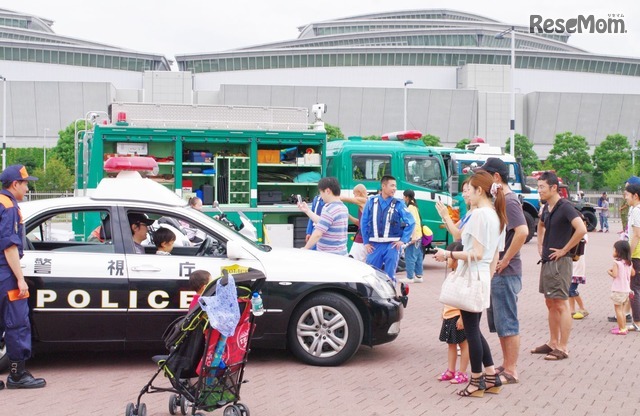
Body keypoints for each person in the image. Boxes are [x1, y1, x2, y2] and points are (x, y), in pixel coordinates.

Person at [434, 170, 506, 397]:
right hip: (482, 275)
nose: (467, 194)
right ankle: (491, 376)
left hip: (472, 274)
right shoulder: (494, 214)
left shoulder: (479, 215)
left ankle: (476, 381)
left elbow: (475, 252)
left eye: (470, 190)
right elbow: (493, 254)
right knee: (475, 329)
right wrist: (489, 276)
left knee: (472, 331)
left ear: (479, 190)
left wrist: (448, 255)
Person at [478, 158, 528, 386]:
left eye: (486, 176)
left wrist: (506, 259)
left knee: (507, 321)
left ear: (496, 177)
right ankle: (506, 364)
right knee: (499, 322)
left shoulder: (509, 200)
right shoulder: (500, 199)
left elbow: (522, 231)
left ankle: (511, 369)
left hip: (505, 271)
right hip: (498, 270)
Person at [531, 171, 587, 361]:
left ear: (554, 188)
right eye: (538, 187)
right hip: (547, 260)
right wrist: (539, 244)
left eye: (542, 187)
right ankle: (552, 342)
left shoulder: (565, 207)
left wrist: (564, 250)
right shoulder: (547, 207)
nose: (539, 191)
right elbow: (540, 225)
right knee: (550, 302)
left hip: (560, 263)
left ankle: (563, 347)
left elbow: (582, 229)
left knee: (561, 303)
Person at [0, 164, 46, 389]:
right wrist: (19, 278)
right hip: (5, 273)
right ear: (15, 184)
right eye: (26, 183)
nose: (27, 188)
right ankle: (17, 376)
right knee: (17, 323)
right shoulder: (8, 206)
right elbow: (9, 247)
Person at [360, 175, 415, 281]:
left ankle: (391, 296)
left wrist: (403, 240)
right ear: (383, 186)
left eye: (395, 186)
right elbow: (364, 222)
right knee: (371, 274)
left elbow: (411, 222)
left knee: (389, 276)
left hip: (392, 246)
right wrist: (366, 242)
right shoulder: (371, 202)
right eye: (392, 185)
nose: (394, 188)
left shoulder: (399, 204)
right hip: (374, 245)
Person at [436, 242, 469, 385]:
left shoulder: (463, 276)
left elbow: (464, 299)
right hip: (449, 314)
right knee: (451, 344)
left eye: (449, 257)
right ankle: (451, 370)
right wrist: (443, 311)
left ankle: (462, 372)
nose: (447, 260)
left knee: (463, 345)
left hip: (458, 315)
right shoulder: (452, 275)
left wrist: (462, 317)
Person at [299, 177, 348, 255]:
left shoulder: (329, 209)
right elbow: (323, 222)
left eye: (321, 193)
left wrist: (305, 248)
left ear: (327, 191)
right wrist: (307, 211)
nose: (321, 197)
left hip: (329, 256)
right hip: (341, 254)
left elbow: (318, 233)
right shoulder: (343, 207)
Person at [624, 182, 640, 332]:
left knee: (634, 288)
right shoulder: (634, 209)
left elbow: (636, 235)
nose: (625, 198)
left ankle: (637, 322)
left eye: (627, 195)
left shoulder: (636, 210)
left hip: (637, 254)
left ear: (635, 196)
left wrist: (628, 255)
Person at [608, 240, 634, 335]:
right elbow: (632, 273)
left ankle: (622, 329)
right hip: (626, 290)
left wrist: (609, 272)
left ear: (618, 251)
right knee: (622, 310)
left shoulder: (616, 263)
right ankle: (622, 327)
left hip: (618, 289)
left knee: (618, 310)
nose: (613, 251)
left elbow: (615, 275)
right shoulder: (629, 263)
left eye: (614, 249)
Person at [400, 189, 424, 283]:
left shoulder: (410, 208)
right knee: (418, 256)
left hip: (414, 236)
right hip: (419, 235)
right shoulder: (415, 207)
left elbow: (412, 223)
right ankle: (419, 276)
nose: (403, 198)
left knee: (410, 256)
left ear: (406, 197)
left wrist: (412, 237)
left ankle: (409, 277)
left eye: (403, 196)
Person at [340, 184, 368, 262]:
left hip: (361, 240)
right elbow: (360, 223)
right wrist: (348, 215)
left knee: (352, 262)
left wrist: (332, 196)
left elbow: (344, 198)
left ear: (359, 193)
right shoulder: (365, 203)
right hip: (363, 239)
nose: (354, 196)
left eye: (354, 193)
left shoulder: (364, 200)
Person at [570, 227, 589, 320]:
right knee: (569, 291)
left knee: (571, 290)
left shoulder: (582, 234)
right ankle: (572, 310)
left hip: (577, 266)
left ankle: (582, 308)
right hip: (569, 266)